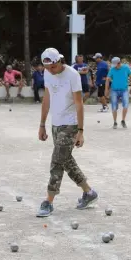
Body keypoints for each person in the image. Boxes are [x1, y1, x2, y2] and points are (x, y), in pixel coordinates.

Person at [36, 48, 98, 217]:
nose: (50, 71)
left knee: (57, 161)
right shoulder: (48, 74)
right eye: (47, 68)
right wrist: (42, 124)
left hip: (70, 125)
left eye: (52, 67)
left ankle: (48, 201)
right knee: (65, 160)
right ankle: (89, 192)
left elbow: (79, 103)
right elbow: (47, 99)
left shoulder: (72, 75)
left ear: (59, 61)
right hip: (55, 125)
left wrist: (80, 131)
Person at [105, 57, 131, 129]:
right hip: (114, 90)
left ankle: (123, 120)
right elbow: (107, 79)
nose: (115, 66)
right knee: (114, 106)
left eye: (116, 65)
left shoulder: (126, 68)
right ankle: (115, 122)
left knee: (126, 105)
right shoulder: (112, 69)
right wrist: (106, 89)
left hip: (124, 90)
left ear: (119, 63)